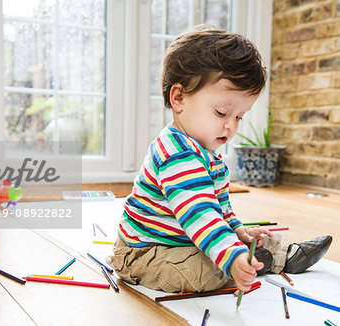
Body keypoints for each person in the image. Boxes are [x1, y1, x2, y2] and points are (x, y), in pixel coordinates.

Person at [106, 28, 332, 293]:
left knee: (245, 241)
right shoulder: (176, 154)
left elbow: (219, 207)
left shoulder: (209, 153)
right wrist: (231, 255)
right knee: (207, 271)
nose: (230, 126)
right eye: (221, 112)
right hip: (145, 253)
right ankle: (255, 261)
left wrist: (237, 230)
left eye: (239, 116)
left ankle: (277, 254)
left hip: (184, 240)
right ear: (179, 98)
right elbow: (200, 214)